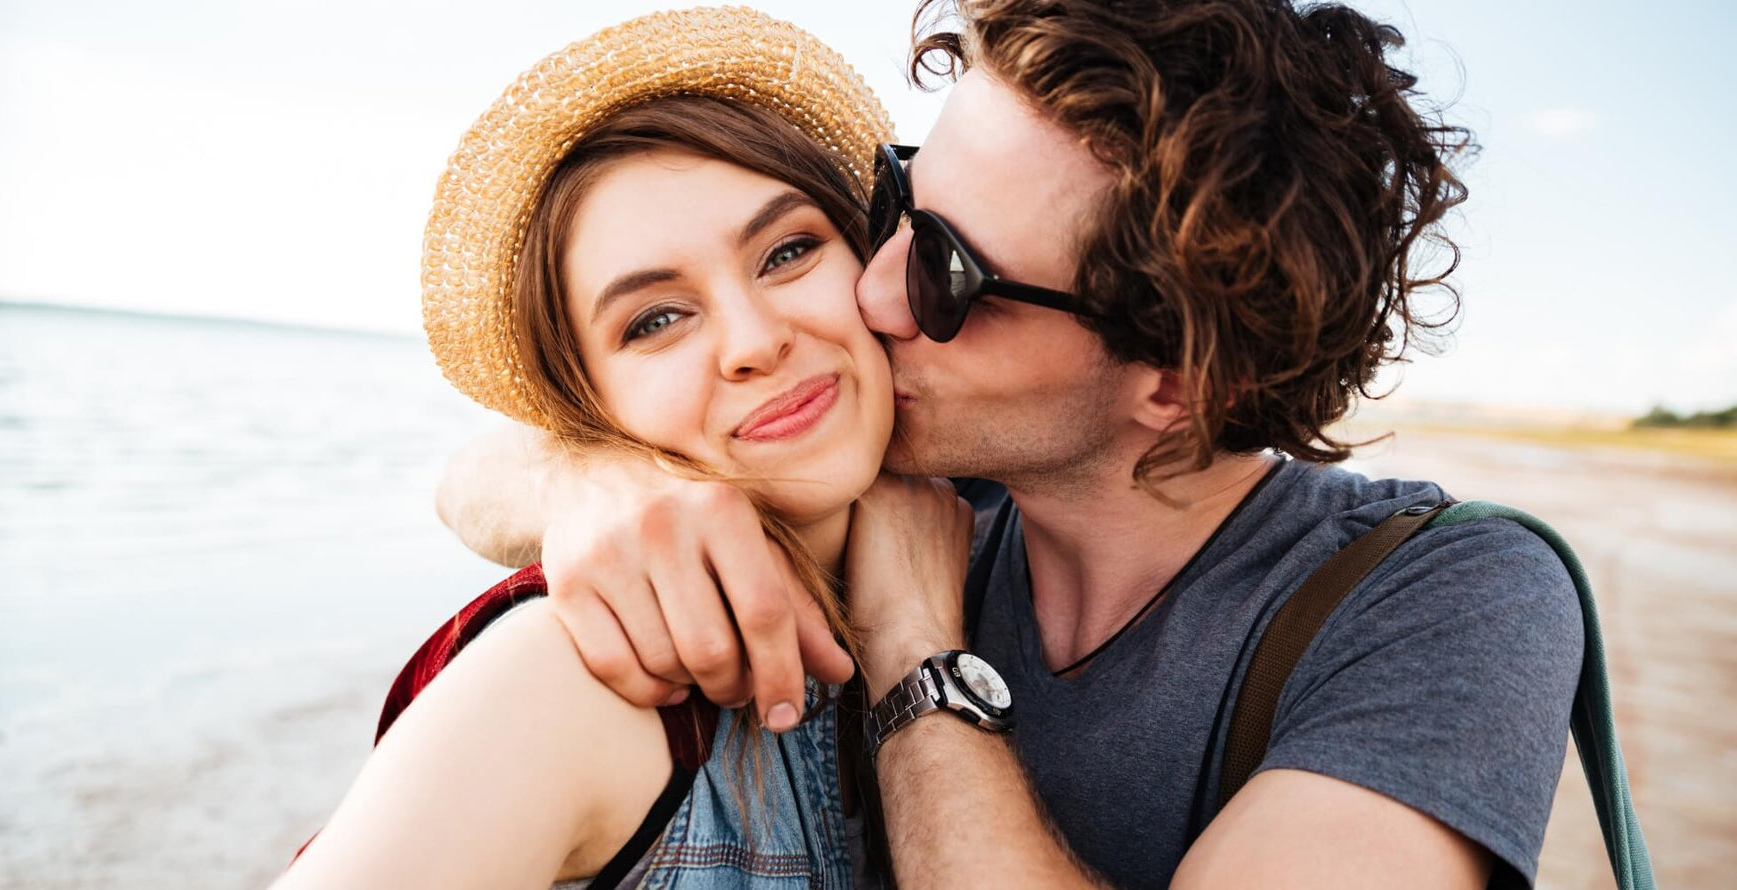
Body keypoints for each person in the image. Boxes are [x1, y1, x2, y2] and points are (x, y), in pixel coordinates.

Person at [438, 1, 1589, 888]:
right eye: (896, 199)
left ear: (1179, 383)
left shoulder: (1443, 601)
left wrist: (910, 642)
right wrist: (592, 476)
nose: (871, 288)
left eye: (949, 273)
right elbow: (462, 477)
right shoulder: (891, 448)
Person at [276, 9, 912, 888]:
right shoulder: (562, 680)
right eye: (656, 319)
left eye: (789, 251)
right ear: (587, 406)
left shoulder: (1000, 525)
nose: (754, 340)